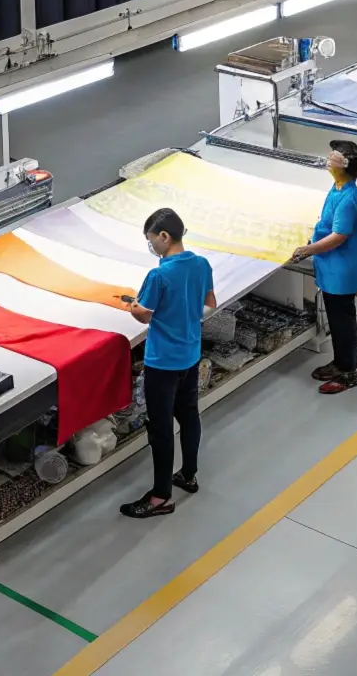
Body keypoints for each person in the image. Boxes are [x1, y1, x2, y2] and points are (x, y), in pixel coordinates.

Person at [121, 207, 216, 519]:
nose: (153, 248)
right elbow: (210, 304)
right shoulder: (201, 264)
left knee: (161, 430)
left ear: (164, 236)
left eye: (152, 241)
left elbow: (143, 314)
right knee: (189, 416)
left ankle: (161, 497)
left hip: (163, 362)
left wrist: (133, 305)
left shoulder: (159, 275)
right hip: (190, 355)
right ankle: (188, 474)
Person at [291, 140, 357, 394]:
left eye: (332, 157)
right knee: (341, 319)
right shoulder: (338, 189)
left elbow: (338, 237)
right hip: (336, 267)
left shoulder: (349, 199)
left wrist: (307, 250)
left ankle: (348, 372)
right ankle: (346, 362)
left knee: (341, 321)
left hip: (342, 270)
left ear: (344, 165)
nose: (328, 159)